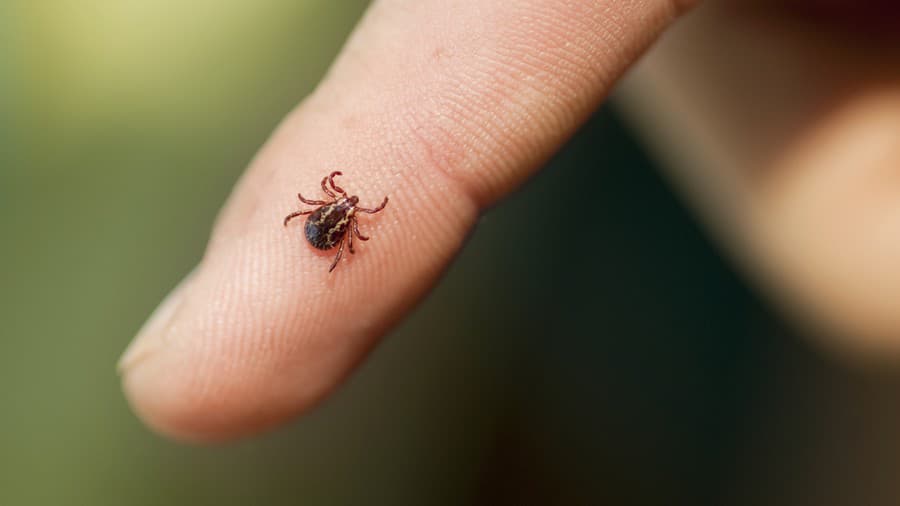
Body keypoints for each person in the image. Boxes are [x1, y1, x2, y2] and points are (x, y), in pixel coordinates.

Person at [118, 0, 900, 442]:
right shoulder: (339, 213)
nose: (340, 212)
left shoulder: (333, 213)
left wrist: (332, 232)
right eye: (340, 210)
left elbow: (325, 223)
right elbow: (331, 225)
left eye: (338, 210)